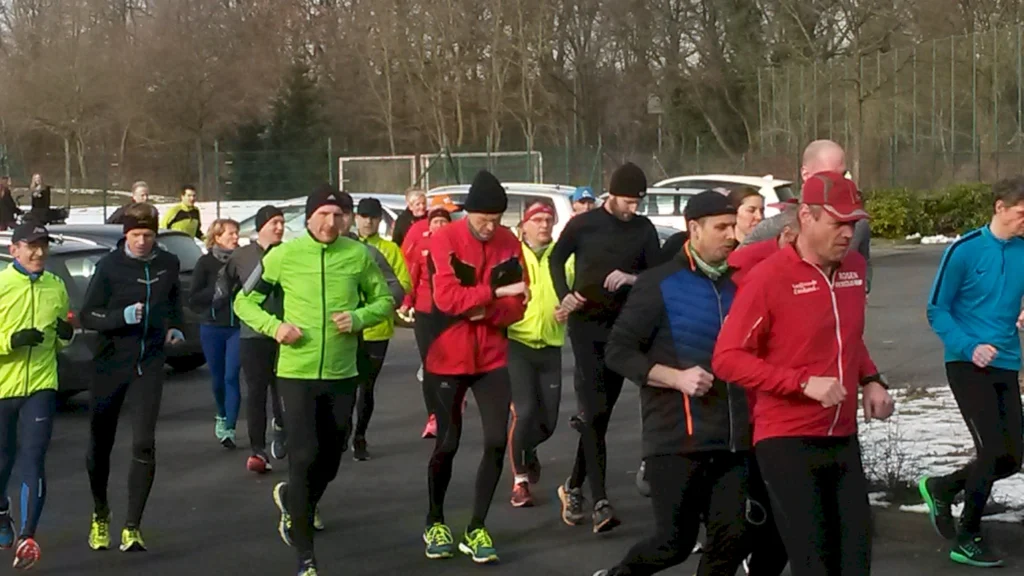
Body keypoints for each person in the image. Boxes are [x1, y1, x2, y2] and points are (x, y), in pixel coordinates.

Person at [712, 171, 894, 576]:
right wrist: (801, 383)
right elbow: (727, 358)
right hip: (787, 438)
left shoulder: (853, 269)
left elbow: (848, 336)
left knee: (855, 560)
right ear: (807, 218)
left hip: (841, 435)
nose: (848, 234)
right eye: (838, 223)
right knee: (816, 563)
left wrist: (871, 379)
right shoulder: (769, 278)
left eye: (853, 223)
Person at [234, 184, 394, 576]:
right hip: (296, 372)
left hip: (342, 372)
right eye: (323, 214)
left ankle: (293, 500)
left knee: (333, 455)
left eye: (338, 215)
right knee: (304, 456)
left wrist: (359, 318)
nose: (330, 222)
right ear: (307, 218)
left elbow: (387, 299)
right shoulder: (283, 256)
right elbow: (243, 301)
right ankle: (306, 555)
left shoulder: (358, 255)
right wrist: (275, 328)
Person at [592, 191, 751, 576]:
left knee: (730, 540)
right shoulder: (658, 284)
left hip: (731, 441)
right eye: (722, 228)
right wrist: (675, 377)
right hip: (677, 439)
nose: (732, 236)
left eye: (734, 226)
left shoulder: (740, 285)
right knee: (674, 544)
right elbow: (618, 351)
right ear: (693, 229)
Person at [420, 170, 527, 564]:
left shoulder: (509, 242)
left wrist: (483, 310)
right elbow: (446, 297)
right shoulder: (445, 237)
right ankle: (434, 520)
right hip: (447, 356)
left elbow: (520, 304)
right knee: (447, 442)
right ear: (468, 213)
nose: (490, 226)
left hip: (492, 356)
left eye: (497, 218)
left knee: (497, 440)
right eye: (484, 218)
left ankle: (477, 527)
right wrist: (494, 292)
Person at [549, 162, 661, 533]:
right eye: (628, 201)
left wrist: (632, 278)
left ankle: (572, 485)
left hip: (623, 328)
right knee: (595, 411)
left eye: (638, 202)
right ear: (611, 195)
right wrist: (566, 297)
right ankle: (600, 502)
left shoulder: (643, 230)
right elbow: (555, 258)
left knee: (600, 415)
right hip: (586, 327)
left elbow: (658, 273)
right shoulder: (584, 224)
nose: (633, 209)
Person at [919, 177, 1024, 568]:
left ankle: (941, 487)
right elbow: (937, 310)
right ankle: (968, 536)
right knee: (992, 450)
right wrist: (969, 346)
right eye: (1021, 213)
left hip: (1007, 361)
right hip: (966, 362)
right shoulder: (964, 250)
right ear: (999, 208)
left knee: (1013, 457)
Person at [80, 202, 186, 553]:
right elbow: (88, 315)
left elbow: (173, 302)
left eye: (148, 235)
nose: (142, 241)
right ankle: (100, 512)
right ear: (126, 234)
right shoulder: (109, 267)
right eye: (136, 235)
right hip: (110, 363)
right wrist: (120, 316)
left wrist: (174, 328)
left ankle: (132, 526)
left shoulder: (167, 264)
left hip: (149, 363)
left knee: (143, 441)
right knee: (101, 442)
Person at [0, 223, 72, 570]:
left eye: (43, 245)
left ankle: (28, 535)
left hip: (41, 386)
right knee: (2, 462)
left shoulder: (56, 286)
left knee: (33, 459)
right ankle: (1, 511)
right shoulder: (1, 285)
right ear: (14, 249)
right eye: (31, 246)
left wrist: (67, 335)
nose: (39, 253)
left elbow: (61, 340)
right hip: (2, 388)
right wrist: (10, 342)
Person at [507, 200, 573, 508]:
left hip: (550, 344)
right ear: (524, 225)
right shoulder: (512, 255)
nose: (544, 225)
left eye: (549, 219)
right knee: (525, 412)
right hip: (517, 342)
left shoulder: (563, 256)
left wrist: (569, 307)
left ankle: (528, 449)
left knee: (548, 421)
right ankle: (519, 481)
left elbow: (575, 290)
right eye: (538, 220)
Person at [217, 206, 287, 473]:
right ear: (261, 227)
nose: (279, 227)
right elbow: (225, 283)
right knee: (256, 392)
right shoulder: (243, 255)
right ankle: (257, 451)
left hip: (286, 332)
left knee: (283, 390)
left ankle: (281, 428)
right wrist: (216, 302)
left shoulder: (289, 254)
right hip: (253, 334)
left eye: (281, 222)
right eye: (273, 223)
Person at [742, 141, 871, 285]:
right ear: (805, 174)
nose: (838, 182)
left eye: (842, 174)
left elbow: (864, 265)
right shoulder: (775, 227)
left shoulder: (859, 225)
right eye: (828, 175)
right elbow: (735, 270)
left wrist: (862, 289)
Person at [351, 198, 412, 460]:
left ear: (380, 221)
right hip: (347, 330)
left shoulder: (389, 249)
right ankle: (342, 432)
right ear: (356, 218)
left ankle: (360, 436)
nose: (368, 222)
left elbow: (404, 284)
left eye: (373, 217)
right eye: (364, 216)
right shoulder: (346, 245)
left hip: (376, 329)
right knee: (343, 386)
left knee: (366, 386)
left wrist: (375, 301)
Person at [400, 195, 461, 439]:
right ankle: (433, 415)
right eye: (436, 221)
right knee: (430, 364)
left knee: (453, 362)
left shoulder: (459, 241)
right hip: (426, 309)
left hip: (452, 310)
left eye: (444, 220)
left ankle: (452, 405)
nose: (439, 226)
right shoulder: (418, 235)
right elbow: (410, 270)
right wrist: (406, 301)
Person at [190, 219, 242, 448]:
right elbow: (193, 298)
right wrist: (218, 290)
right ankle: (221, 414)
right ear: (217, 237)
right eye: (230, 233)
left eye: (236, 233)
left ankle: (229, 427)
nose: (235, 237)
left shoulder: (242, 260)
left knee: (232, 376)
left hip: (238, 327)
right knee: (218, 378)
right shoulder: (205, 263)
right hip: (212, 326)